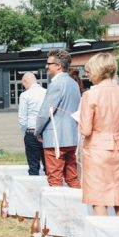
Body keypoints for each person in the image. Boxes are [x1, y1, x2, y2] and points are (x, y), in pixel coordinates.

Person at [79, 53, 119, 216]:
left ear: (98, 70)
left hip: (96, 151)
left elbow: (86, 130)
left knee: (99, 199)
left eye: (89, 71)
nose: (87, 75)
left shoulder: (90, 95)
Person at [34, 49, 81, 188]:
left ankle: (56, 209)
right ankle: (78, 207)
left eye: (49, 63)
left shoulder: (56, 84)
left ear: (59, 66)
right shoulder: (74, 83)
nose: (46, 66)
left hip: (56, 139)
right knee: (72, 177)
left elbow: (45, 112)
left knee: (54, 179)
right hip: (72, 137)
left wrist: (37, 131)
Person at [18, 72, 47, 176]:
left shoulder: (25, 95)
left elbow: (22, 118)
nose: (24, 87)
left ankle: (34, 190)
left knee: (33, 167)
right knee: (49, 166)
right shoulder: (47, 92)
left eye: (23, 85)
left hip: (31, 132)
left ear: (25, 81)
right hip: (46, 133)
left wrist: (25, 132)